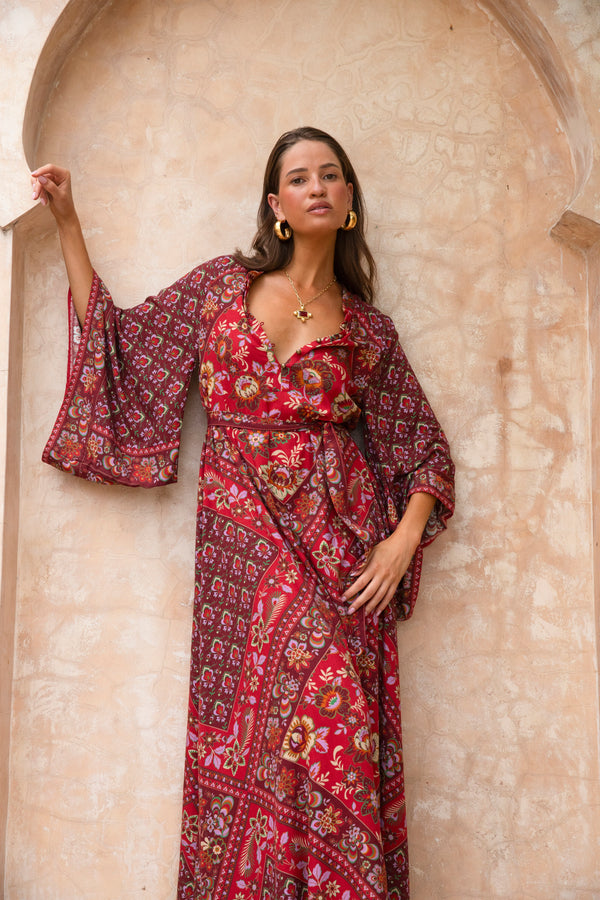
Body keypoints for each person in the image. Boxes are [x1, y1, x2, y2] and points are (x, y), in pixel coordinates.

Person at [31, 126, 454, 900]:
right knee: (256, 758)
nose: (317, 185)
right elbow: (122, 348)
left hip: (341, 564)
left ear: (350, 202)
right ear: (277, 205)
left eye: (332, 175)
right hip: (239, 567)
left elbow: (422, 452)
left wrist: (399, 542)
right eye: (299, 178)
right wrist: (68, 223)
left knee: (337, 742)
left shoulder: (367, 331)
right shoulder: (220, 288)